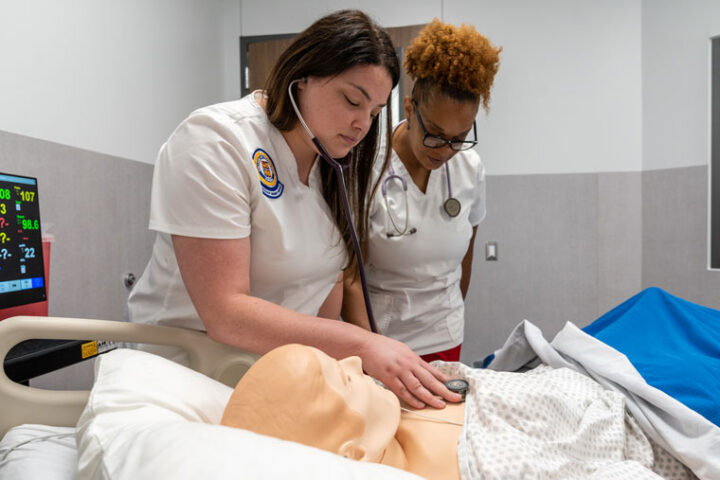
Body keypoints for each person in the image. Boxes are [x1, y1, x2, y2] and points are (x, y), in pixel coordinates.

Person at [126, 10, 460, 409]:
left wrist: (354, 375)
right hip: (183, 384)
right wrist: (365, 344)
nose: (361, 125)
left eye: (373, 113)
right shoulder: (216, 141)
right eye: (352, 99)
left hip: (271, 385)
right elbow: (225, 312)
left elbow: (323, 296)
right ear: (301, 78)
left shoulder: (331, 167)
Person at [342, 20, 502, 362]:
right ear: (411, 109)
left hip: (444, 334)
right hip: (380, 336)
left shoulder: (470, 169)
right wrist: (371, 349)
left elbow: (467, 255)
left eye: (457, 139)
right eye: (435, 133)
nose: (444, 150)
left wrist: (449, 316)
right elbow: (349, 274)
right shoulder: (365, 164)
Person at [221, 343, 464, 480]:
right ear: (353, 455)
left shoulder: (393, 410)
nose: (356, 362)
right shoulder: (475, 466)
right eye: (346, 379)